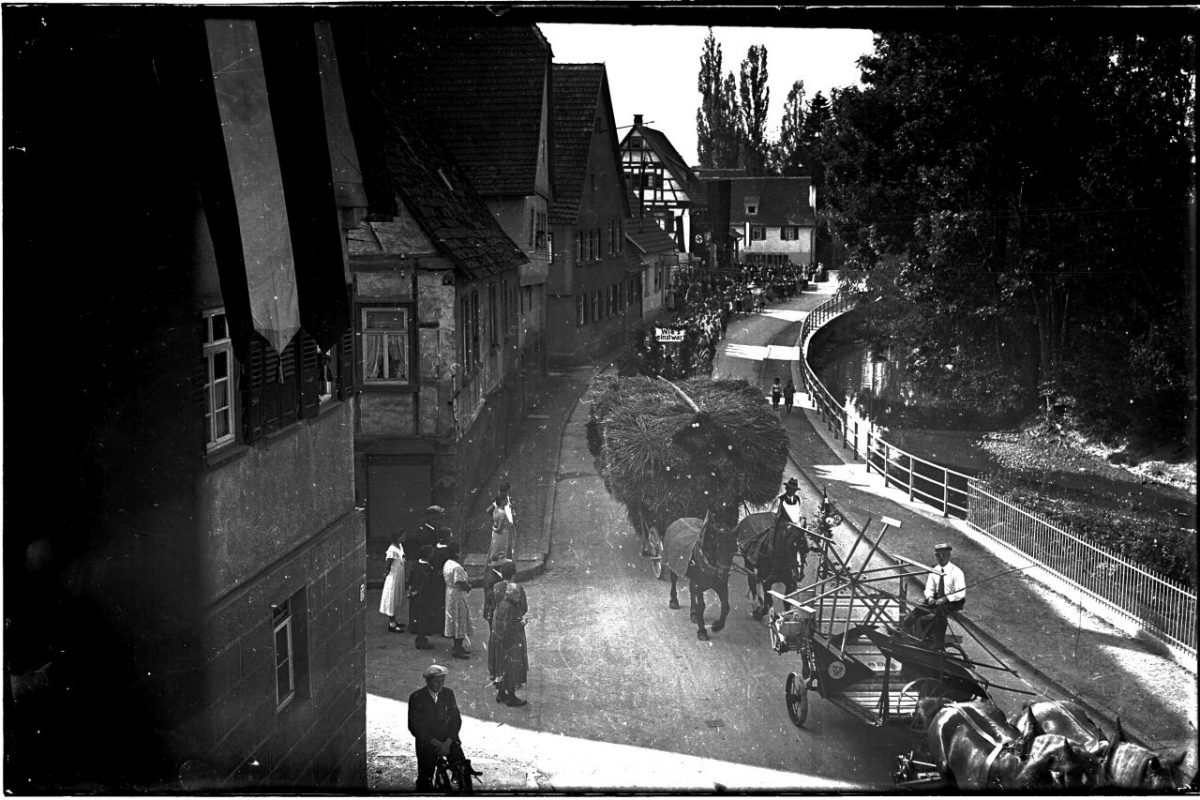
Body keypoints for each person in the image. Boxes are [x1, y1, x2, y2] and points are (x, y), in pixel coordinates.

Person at [408, 664, 467, 790]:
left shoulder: (448, 694)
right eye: (436, 682)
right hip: (427, 742)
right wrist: (438, 744)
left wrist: (447, 743)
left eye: (442, 681)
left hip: (448, 739)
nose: (440, 685)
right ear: (428, 681)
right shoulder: (417, 697)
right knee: (425, 778)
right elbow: (415, 726)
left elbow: (456, 720)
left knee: (462, 768)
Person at [900, 543, 966, 645]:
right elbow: (929, 588)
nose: (941, 558)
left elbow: (961, 593)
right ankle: (902, 629)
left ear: (949, 555)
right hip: (937, 598)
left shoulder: (957, 572)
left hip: (953, 600)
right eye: (938, 555)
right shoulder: (934, 570)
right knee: (919, 608)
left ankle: (939, 642)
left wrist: (945, 599)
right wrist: (930, 597)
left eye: (943, 555)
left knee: (941, 611)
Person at [488, 581, 529, 707]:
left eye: (518, 593)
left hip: (499, 643)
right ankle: (511, 697)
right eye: (515, 593)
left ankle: (501, 693)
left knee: (501, 668)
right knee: (512, 669)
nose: (518, 596)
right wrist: (522, 624)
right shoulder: (511, 608)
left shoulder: (502, 604)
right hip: (510, 645)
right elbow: (508, 629)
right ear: (508, 594)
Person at [442, 542, 474, 659]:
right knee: (459, 619)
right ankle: (457, 649)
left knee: (456, 619)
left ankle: (458, 646)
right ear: (456, 552)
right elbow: (460, 582)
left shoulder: (447, 563)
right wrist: (469, 586)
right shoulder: (456, 567)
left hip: (450, 593)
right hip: (457, 595)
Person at [407, 545, 440, 650]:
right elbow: (425, 585)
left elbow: (410, 579)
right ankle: (421, 641)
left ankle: (420, 638)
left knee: (418, 616)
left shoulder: (416, 564)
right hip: (424, 597)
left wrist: (411, 591)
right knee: (424, 619)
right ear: (428, 555)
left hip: (415, 596)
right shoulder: (427, 568)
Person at [379, 532, 406, 633]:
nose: (405, 537)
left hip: (399, 576)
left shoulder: (400, 546)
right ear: (397, 537)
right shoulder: (392, 549)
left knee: (396, 598)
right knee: (392, 598)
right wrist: (385, 573)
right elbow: (389, 563)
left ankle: (394, 620)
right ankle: (392, 624)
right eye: (403, 536)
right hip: (393, 576)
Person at [482, 558, 515, 628]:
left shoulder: (497, 576)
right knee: (495, 635)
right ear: (501, 567)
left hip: (497, 611)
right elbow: (489, 596)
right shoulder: (491, 578)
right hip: (493, 611)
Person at [488, 492, 516, 564]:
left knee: (496, 550)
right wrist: (494, 528)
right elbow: (499, 528)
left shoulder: (496, 510)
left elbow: (495, 522)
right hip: (503, 534)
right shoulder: (502, 513)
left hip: (497, 535)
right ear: (502, 501)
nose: (507, 501)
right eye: (506, 499)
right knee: (503, 552)